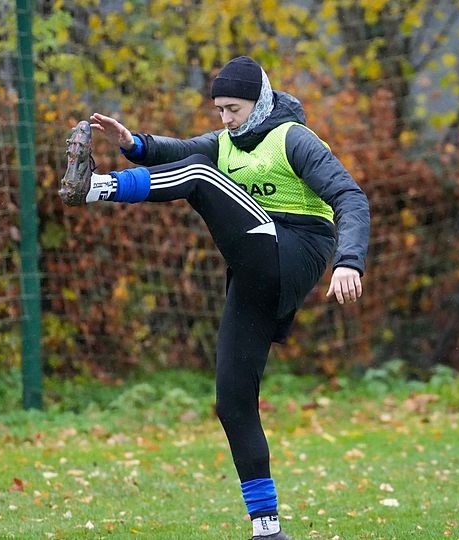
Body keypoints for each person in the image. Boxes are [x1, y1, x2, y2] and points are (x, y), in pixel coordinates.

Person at [59, 56, 370, 540]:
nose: (225, 119)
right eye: (219, 110)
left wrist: (349, 260)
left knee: (202, 177)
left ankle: (95, 187)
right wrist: (133, 143)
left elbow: (351, 197)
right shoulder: (227, 142)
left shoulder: (294, 138)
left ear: (259, 102)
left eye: (233, 109)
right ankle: (267, 528)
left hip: (297, 249)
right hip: (255, 268)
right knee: (233, 401)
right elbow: (179, 151)